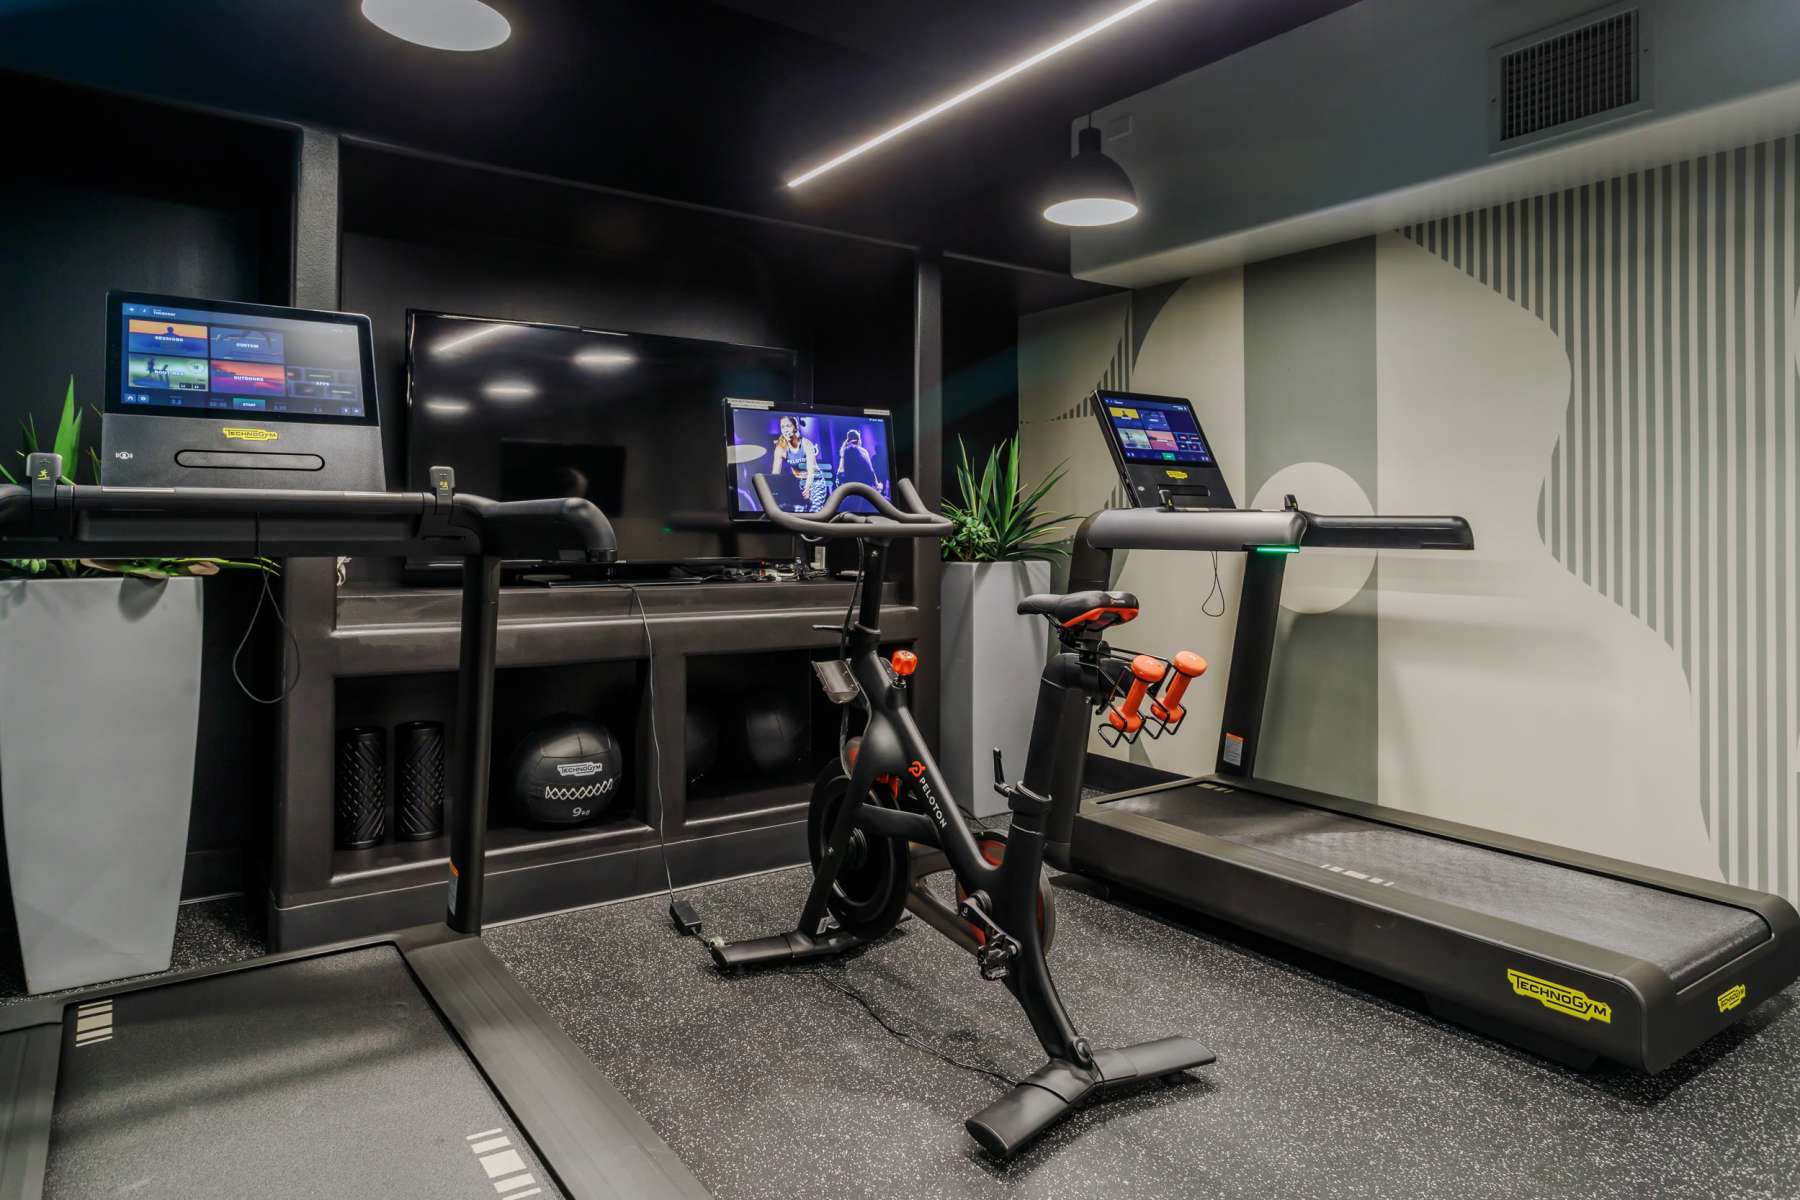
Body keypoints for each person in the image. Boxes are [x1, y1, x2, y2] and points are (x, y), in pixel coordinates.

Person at [770, 415, 817, 511]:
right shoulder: (780, 448)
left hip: (815, 481)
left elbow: (811, 471)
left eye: (788, 426)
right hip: (799, 484)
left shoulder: (806, 444)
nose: (785, 430)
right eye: (782, 427)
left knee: (814, 511)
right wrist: (771, 493)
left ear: (795, 427)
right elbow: (775, 474)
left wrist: (808, 487)